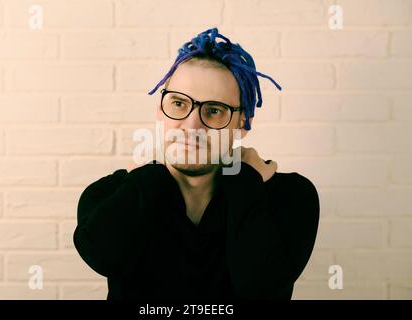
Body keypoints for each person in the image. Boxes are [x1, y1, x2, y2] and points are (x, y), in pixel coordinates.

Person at [73, 28, 320, 301]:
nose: (192, 125)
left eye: (214, 111)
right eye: (179, 103)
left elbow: (260, 290)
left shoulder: (290, 196)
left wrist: (244, 179)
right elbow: (104, 258)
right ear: (160, 110)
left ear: (243, 123)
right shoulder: (109, 194)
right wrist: (149, 176)